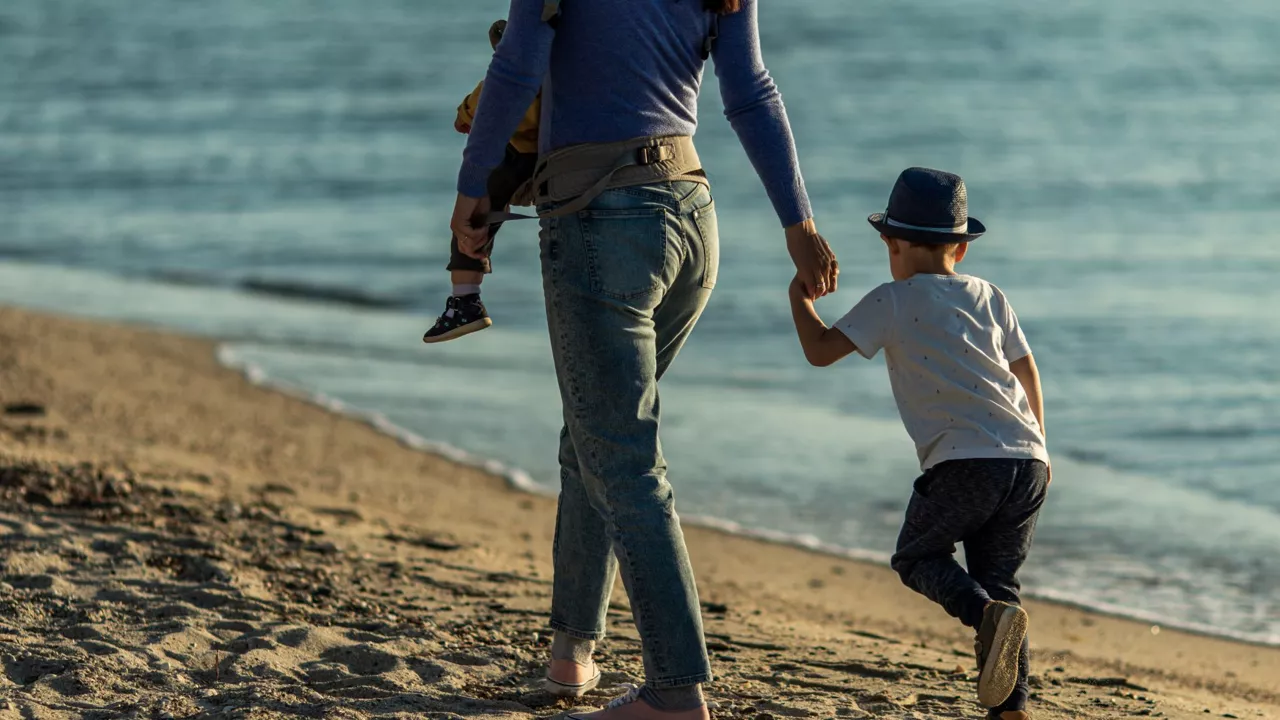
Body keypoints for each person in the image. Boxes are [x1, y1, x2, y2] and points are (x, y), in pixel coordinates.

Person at [448, 0, 839, 716]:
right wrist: (799, 226)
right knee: (594, 436)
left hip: (603, 222)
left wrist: (473, 185)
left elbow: (517, 66)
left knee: (622, 458)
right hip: (691, 218)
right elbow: (751, 92)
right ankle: (572, 655)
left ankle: (675, 690)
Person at [786, 167, 1050, 720]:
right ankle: (1013, 708)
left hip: (963, 461)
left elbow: (818, 349)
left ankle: (986, 619)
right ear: (962, 248)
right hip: (1027, 459)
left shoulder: (893, 299)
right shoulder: (990, 295)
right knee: (999, 581)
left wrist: (800, 296)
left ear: (892, 243)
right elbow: (1025, 368)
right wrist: (1039, 444)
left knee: (917, 555)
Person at [422, 19, 540, 343]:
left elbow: (499, 91)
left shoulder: (534, 58)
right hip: (572, 152)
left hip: (523, 154)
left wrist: (466, 113)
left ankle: (465, 300)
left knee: (473, 218)